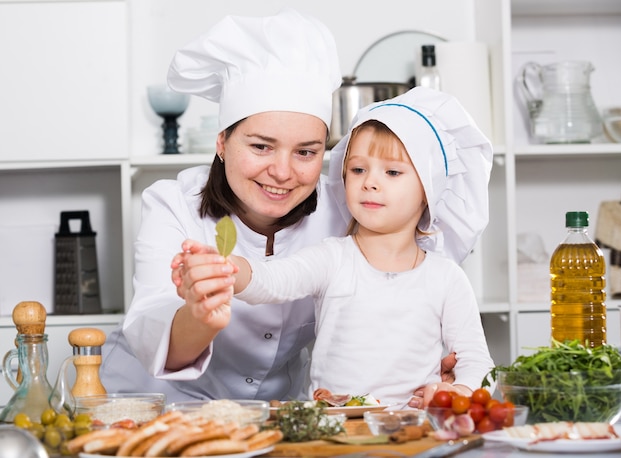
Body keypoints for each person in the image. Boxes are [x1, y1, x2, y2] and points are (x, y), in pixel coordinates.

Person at [100, 9, 472, 406]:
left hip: (275, 414)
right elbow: (156, 337)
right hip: (152, 405)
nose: (281, 172)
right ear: (222, 142)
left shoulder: (350, 208)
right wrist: (201, 314)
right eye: (261, 146)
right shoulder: (172, 204)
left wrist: (436, 366)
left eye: (306, 152)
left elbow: (407, 293)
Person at [178, 87, 495, 407]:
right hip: (334, 429)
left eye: (392, 172)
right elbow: (271, 280)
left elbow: (477, 361)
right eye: (358, 169)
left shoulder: (446, 278)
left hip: (414, 431)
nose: (370, 182)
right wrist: (226, 268)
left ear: (429, 188)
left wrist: (460, 389)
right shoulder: (332, 258)